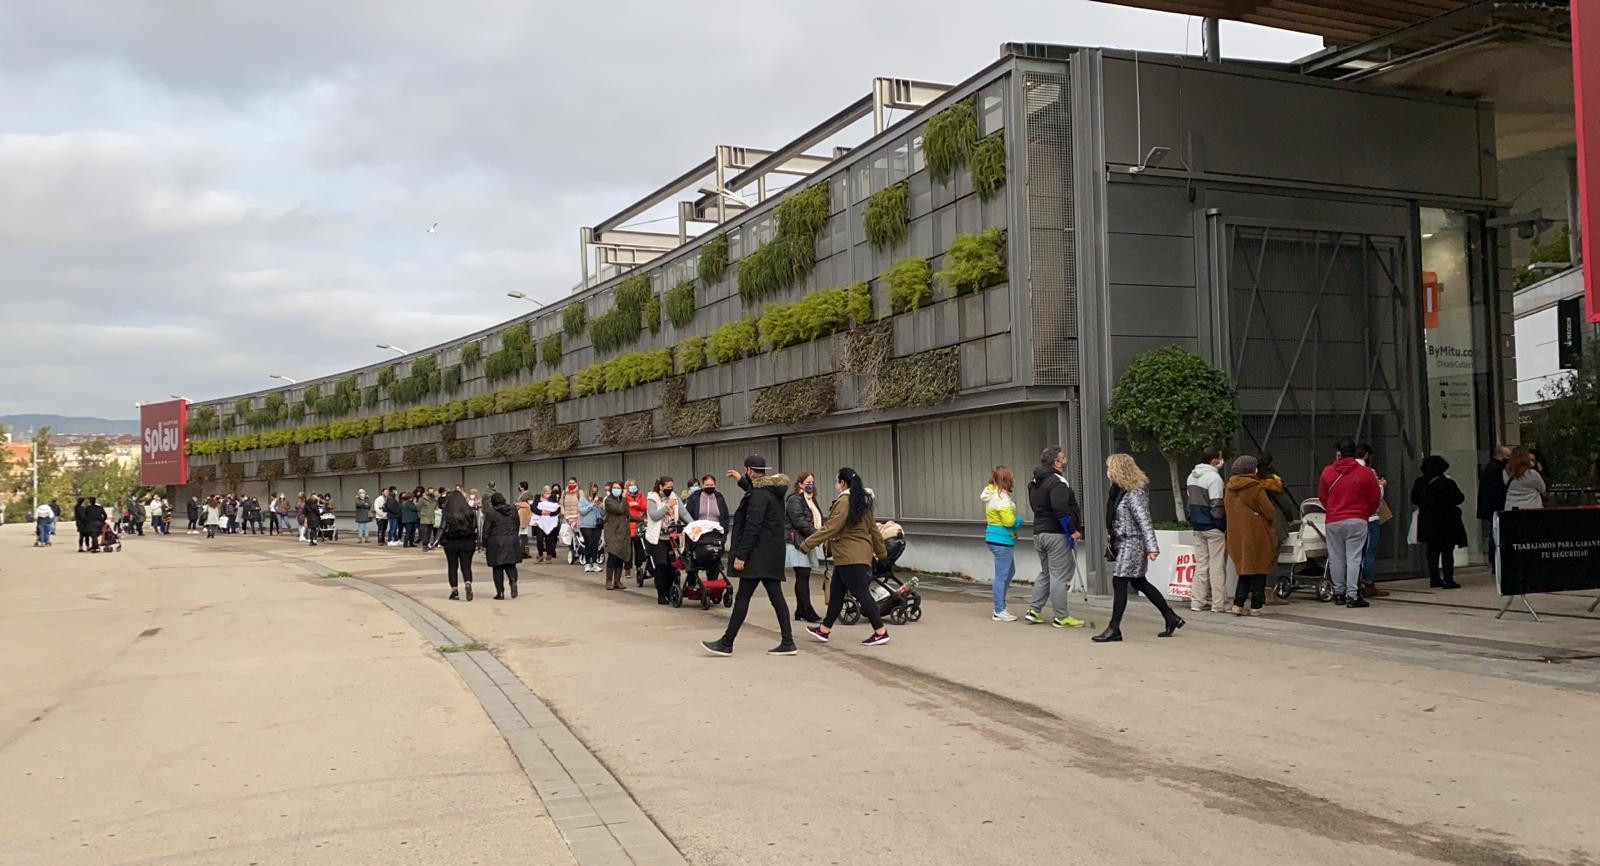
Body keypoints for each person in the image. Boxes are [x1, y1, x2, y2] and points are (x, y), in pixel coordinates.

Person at [701, 455, 796, 656]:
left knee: (743, 597)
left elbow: (753, 526)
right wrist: (740, 481)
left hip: (756, 555)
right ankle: (788, 641)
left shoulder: (759, 495)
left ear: (749, 470)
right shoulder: (772, 491)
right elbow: (755, 491)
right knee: (776, 597)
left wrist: (741, 554)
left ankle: (727, 643)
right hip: (772, 553)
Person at [1092, 454, 1184, 642]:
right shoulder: (1118, 490)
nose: (1107, 472)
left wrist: (1152, 547)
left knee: (1119, 581)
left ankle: (1114, 627)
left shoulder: (1135, 492)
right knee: (1139, 581)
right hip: (1123, 541)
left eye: (1110, 468)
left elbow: (1144, 520)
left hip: (1132, 542)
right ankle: (1170, 616)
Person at [800, 467, 891, 648]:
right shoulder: (863, 501)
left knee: (862, 594)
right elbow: (873, 529)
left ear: (843, 482)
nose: (836, 485)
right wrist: (882, 554)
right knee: (836, 594)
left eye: (837, 481)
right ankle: (824, 629)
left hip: (850, 557)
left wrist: (807, 544)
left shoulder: (844, 501)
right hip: (855, 556)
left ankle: (880, 631)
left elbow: (832, 527)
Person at [1025, 446, 1086, 629]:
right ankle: (1061, 616)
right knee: (1060, 575)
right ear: (1056, 462)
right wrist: (1072, 530)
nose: (1065, 460)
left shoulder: (1035, 482)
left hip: (1039, 532)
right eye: (1063, 458)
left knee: (1046, 572)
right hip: (1056, 533)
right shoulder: (1057, 482)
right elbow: (1061, 509)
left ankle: (1034, 610)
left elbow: (1037, 507)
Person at [1318, 437, 1382, 608]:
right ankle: (1352, 595)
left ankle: (1338, 593)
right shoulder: (1365, 473)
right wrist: (1365, 512)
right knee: (1354, 557)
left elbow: (1323, 498)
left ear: (1339, 453)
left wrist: (1332, 509)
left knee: (1336, 557)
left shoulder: (1327, 472)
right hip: (1357, 518)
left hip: (1333, 520)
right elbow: (1375, 498)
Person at [1223, 455, 1278, 616]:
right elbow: (1269, 511)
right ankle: (1256, 606)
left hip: (1236, 534)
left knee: (1245, 568)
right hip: (1257, 532)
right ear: (1250, 469)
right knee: (1260, 568)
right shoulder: (1255, 487)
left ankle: (1238, 604)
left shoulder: (1229, 488)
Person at [1411, 455, 1466, 590]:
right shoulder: (1447, 482)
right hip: (1447, 519)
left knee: (1432, 551)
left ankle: (1434, 578)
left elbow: (1414, 499)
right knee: (1447, 550)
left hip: (1428, 520)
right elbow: (1459, 498)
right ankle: (1448, 579)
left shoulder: (1420, 482)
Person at [1184, 446, 1228, 613]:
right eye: (1220, 458)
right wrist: (1221, 524)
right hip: (1213, 527)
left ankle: (1197, 602)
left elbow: (1189, 504)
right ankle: (1218, 604)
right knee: (1216, 565)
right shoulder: (1214, 478)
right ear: (1215, 460)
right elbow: (1217, 505)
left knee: (1201, 565)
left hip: (1197, 526)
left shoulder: (1191, 476)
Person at [981, 466, 1025, 622]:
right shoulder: (1002, 498)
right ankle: (999, 609)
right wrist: (1019, 520)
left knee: (1009, 571)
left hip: (994, 537)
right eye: (1011, 477)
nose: (1013, 480)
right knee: (1002, 575)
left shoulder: (990, 493)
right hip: (1003, 539)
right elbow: (1009, 521)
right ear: (1006, 480)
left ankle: (1000, 607)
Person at [784, 472, 825, 622]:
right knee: (802, 575)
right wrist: (819, 535)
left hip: (807, 541)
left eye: (812, 482)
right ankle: (807, 610)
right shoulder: (795, 499)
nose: (810, 485)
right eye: (807, 482)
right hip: (797, 542)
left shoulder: (811, 500)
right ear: (800, 484)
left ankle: (800, 610)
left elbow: (816, 519)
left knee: (803, 576)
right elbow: (799, 521)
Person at [1257, 454, 1297, 605]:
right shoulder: (1272, 482)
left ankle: (1258, 592)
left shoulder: (1252, 482)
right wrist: (1290, 517)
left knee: (1260, 560)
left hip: (1257, 525)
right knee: (1272, 560)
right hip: (1274, 525)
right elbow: (1285, 504)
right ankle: (1270, 593)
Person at [1354, 443, 1391, 598]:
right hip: (1369, 517)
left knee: (1353, 553)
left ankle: (1352, 584)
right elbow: (1376, 496)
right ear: (1366, 455)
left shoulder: (1341, 471)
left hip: (1351, 517)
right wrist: (1382, 485)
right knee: (1368, 552)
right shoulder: (1368, 471)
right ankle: (1368, 583)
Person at [645, 477, 690, 604]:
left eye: (671, 487)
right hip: (657, 538)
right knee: (661, 565)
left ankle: (671, 591)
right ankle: (661, 594)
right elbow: (654, 516)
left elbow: (684, 514)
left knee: (672, 566)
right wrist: (667, 506)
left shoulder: (674, 497)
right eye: (667, 487)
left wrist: (694, 525)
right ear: (660, 486)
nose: (670, 489)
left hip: (672, 536)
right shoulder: (652, 498)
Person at [438, 490, 478, 600]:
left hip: (451, 541)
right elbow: (474, 526)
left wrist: (435, 542)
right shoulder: (469, 510)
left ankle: (454, 591)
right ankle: (468, 583)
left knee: (452, 566)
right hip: (467, 540)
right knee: (466, 566)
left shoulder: (447, 512)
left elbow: (442, 527)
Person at [602, 481, 642, 589]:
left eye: (618, 488)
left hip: (623, 532)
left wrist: (642, 519)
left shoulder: (622, 501)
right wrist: (624, 498)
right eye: (614, 488)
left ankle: (617, 581)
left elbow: (628, 515)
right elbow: (619, 510)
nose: (616, 490)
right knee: (613, 555)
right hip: (612, 532)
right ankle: (609, 580)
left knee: (620, 556)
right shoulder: (609, 501)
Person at [1476, 445, 1510, 570]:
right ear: (1501, 456)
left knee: (1494, 534)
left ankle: (1494, 562)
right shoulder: (1497, 470)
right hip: (1495, 507)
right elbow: (1497, 491)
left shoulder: (1490, 468)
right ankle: (1495, 562)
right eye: (1507, 456)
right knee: (1496, 535)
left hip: (1490, 507)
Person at [482, 492, 522, 599]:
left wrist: (484, 544)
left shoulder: (490, 512)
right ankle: (513, 580)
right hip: (511, 540)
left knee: (497, 568)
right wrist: (514, 536)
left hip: (495, 542)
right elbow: (517, 524)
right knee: (511, 565)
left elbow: (486, 530)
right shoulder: (513, 510)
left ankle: (500, 593)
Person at [1503, 446, 1547, 511]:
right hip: (1532, 506)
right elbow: (1543, 489)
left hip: (1511, 507)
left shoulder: (1505, 472)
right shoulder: (1532, 473)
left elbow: (1506, 484)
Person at [577, 482, 604, 572]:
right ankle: (588, 563)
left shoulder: (598, 500)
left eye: (596, 491)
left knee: (596, 544)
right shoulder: (583, 499)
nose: (595, 493)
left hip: (597, 525)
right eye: (593, 491)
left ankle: (595, 563)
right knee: (588, 543)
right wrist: (592, 504)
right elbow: (582, 511)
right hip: (586, 525)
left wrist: (600, 506)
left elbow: (603, 513)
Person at [624, 479, 648, 578]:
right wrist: (629, 504)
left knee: (639, 548)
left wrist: (636, 505)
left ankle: (638, 567)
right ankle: (627, 569)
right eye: (630, 485)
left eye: (634, 485)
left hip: (638, 525)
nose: (633, 487)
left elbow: (645, 507)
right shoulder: (624, 497)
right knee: (628, 550)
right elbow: (622, 508)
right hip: (627, 525)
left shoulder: (641, 496)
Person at [535, 490, 561, 562]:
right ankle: (540, 555)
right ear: (543, 493)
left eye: (549, 493)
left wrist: (549, 513)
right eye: (546, 493)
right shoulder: (537, 499)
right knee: (539, 539)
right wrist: (541, 512)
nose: (548, 495)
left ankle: (549, 556)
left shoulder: (553, 500)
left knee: (549, 539)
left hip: (550, 522)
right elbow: (533, 508)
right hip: (540, 522)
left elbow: (557, 510)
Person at [560, 478, 582, 559]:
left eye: (573, 483)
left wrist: (579, 516)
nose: (571, 484)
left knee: (578, 536)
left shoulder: (579, 492)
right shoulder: (564, 493)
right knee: (569, 535)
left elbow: (582, 504)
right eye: (569, 483)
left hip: (577, 517)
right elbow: (561, 504)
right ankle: (571, 550)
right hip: (567, 517)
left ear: (576, 483)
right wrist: (563, 513)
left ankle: (580, 551)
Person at [516, 486, 535, 559]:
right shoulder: (527, 507)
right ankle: (525, 553)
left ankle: (521, 552)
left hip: (520, 524)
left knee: (521, 539)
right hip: (525, 524)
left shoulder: (519, 506)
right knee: (525, 539)